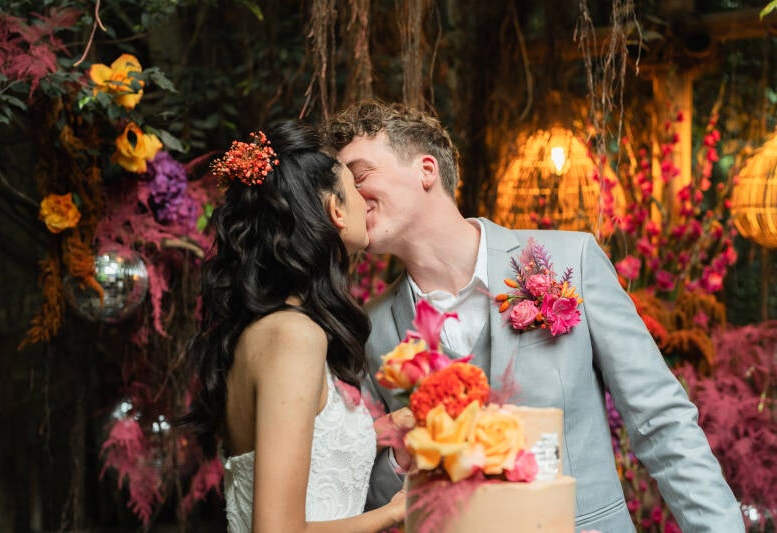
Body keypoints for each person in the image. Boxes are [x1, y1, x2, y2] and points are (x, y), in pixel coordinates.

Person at [327, 100, 745, 532]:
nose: (348, 198)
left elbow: (662, 420)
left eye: (359, 176)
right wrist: (401, 455)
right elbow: (366, 492)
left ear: (426, 171)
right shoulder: (369, 329)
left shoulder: (571, 261)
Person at [180, 121, 405, 533]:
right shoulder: (294, 336)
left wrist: (381, 431)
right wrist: (395, 511)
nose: (365, 201)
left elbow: (307, 451)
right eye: (355, 188)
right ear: (336, 210)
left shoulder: (271, 329)